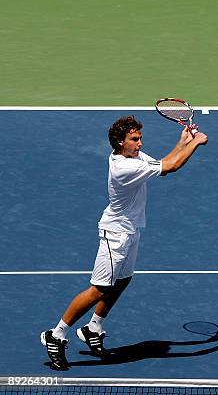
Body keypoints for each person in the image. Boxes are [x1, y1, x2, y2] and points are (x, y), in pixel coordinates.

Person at [40, 115, 208, 371]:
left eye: (140, 138)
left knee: (123, 280)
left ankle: (93, 327)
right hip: (115, 235)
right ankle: (57, 334)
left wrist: (182, 141)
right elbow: (171, 168)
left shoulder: (133, 157)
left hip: (131, 231)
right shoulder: (123, 167)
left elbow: (162, 163)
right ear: (120, 141)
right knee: (98, 289)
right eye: (134, 139)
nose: (140, 143)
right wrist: (195, 143)